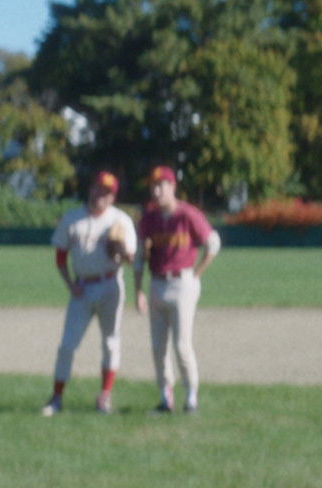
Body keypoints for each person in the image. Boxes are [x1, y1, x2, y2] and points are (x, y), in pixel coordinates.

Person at [40, 171, 136, 416]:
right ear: (91, 189)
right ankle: (56, 397)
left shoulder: (121, 220)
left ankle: (104, 396)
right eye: (98, 189)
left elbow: (131, 260)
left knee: (111, 342)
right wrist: (70, 285)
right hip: (81, 288)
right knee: (67, 345)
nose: (100, 195)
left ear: (112, 197)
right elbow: (60, 257)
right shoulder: (72, 219)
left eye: (106, 192)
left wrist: (121, 250)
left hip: (110, 285)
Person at [133, 166, 220, 414]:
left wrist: (197, 273)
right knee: (158, 348)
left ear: (173, 187)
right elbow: (139, 257)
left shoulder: (187, 214)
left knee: (181, 346)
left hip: (182, 282)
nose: (156, 190)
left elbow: (213, 243)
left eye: (161, 185)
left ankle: (191, 397)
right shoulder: (149, 218)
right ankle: (165, 398)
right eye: (153, 186)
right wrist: (138, 290)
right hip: (157, 282)